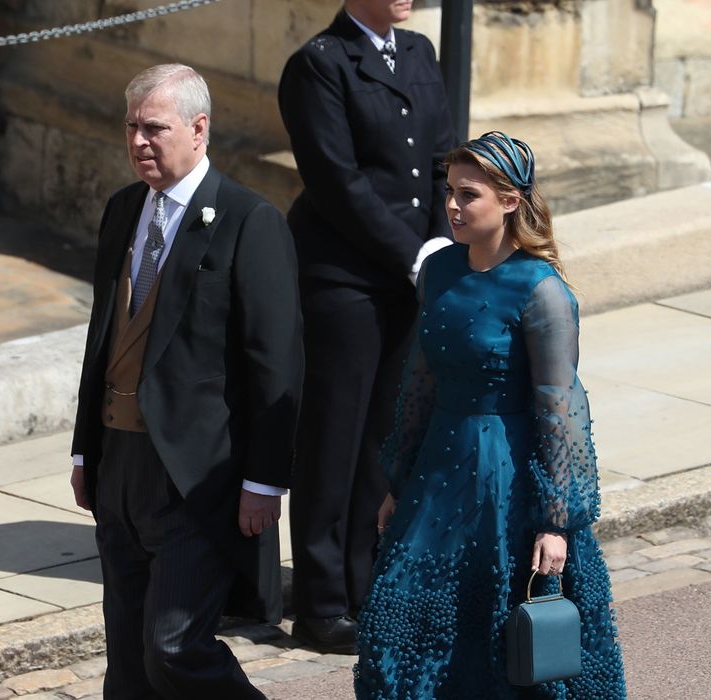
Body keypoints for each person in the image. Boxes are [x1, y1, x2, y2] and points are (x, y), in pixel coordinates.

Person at [354, 131, 626, 698]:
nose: (452, 205)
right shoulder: (439, 271)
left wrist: (556, 521)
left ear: (508, 201)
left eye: (468, 195)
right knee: (399, 620)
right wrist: (398, 483)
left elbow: (560, 409)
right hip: (438, 470)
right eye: (449, 191)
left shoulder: (543, 291)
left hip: (507, 480)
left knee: (500, 634)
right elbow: (419, 386)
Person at [68, 64, 303, 699]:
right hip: (119, 464)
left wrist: (264, 481)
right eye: (132, 128)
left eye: (155, 128)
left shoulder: (247, 220)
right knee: (128, 659)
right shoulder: (123, 210)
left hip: (196, 475)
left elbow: (275, 362)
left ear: (199, 130)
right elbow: (103, 338)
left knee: (174, 646)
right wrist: (85, 449)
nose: (140, 142)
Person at [277, 0, 456, 653]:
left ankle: (366, 584)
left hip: (411, 272)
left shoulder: (416, 54)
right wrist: (412, 255)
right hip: (344, 278)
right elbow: (336, 180)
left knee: (386, 436)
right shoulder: (319, 65)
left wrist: (441, 247)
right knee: (333, 438)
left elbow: (441, 162)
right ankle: (321, 604)